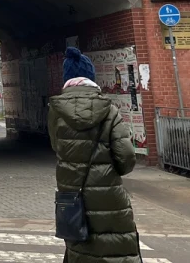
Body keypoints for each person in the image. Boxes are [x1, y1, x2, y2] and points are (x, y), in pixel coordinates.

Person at [48, 47, 140, 263]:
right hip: (108, 196)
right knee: (117, 248)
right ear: (91, 77)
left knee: (81, 250)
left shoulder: (56, 111)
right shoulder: (109, 110)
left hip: (72, 198)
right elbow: (126, 157)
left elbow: (57, 147)